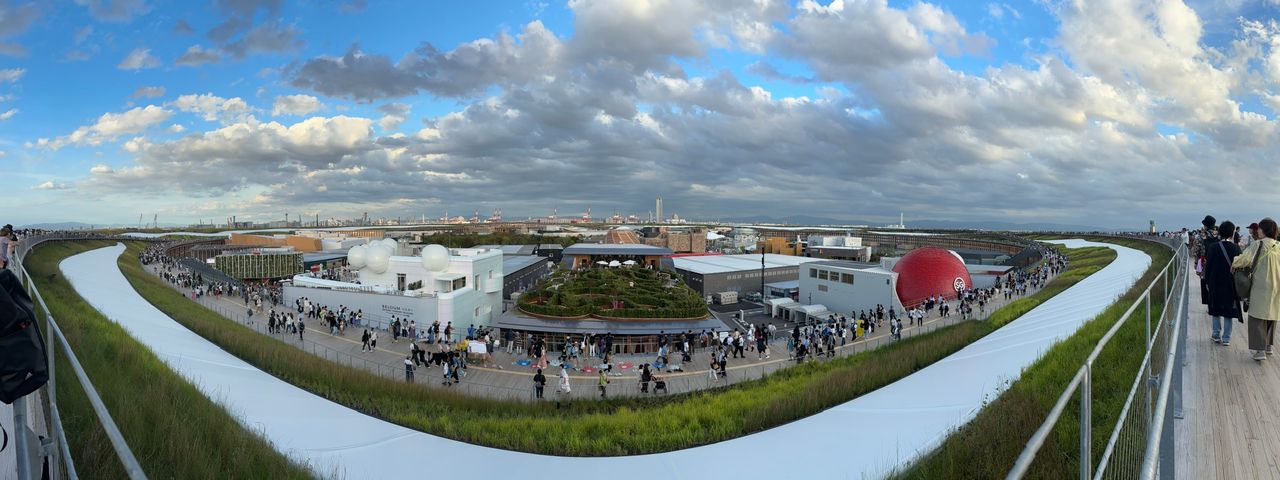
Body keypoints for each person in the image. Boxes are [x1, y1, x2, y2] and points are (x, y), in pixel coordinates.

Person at [1234, 217, 1280, 361]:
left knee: (1257, 316)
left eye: (1259, 228)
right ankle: (1268, 347)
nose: (1257, 230)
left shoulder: (1258, 244)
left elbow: (1245, 258)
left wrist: (1235, 262)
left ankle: (1260, 351)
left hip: (1261, 284)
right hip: (1277, 284)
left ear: (1264, 230)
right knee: (1272, 314)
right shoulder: (1278, 245)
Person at [1205, 221, 1242, 345]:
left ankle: (1216, 334)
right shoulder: (1236, 248)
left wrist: (1207, 281)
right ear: (1232, 233)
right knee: (1228, 311)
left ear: (1219, 232)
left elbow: (1208, 265)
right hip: (1230, 283)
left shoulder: (1213, 247)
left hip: (1215, 282)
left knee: (1215, 308)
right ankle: (1226, 338)